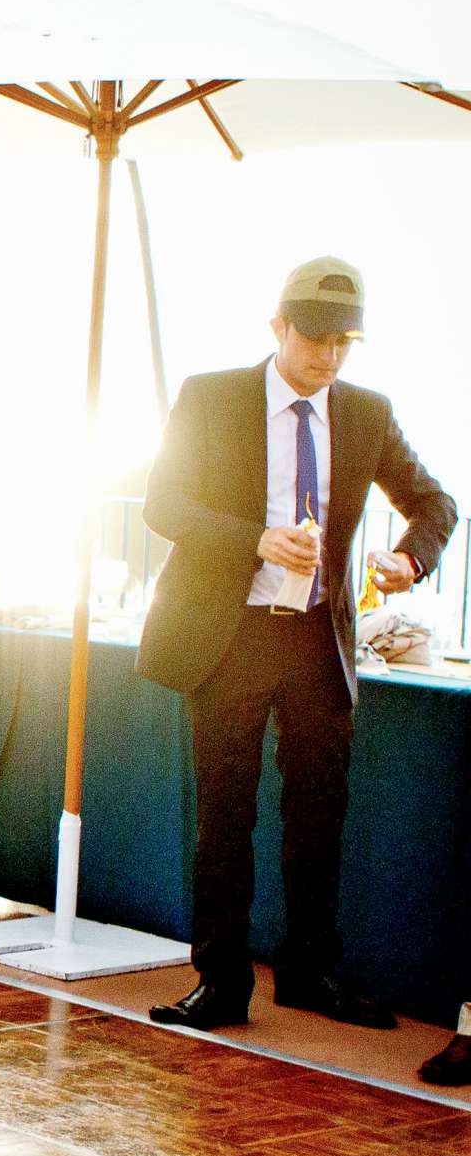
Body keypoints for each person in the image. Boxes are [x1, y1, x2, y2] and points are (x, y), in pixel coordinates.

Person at [137, 258, 455, 1035]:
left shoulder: (368, 412)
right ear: (277, 328)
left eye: (344, 342)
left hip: (318, 643)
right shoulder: (211, 397)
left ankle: (309, 974)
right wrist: (257, 541)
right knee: (224, 814)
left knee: (319, 815)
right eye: (315, 339)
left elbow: (433, 501)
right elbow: (163, 504)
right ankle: (219, 983)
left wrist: (407, 557)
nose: (329, 356)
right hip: (230, 635)